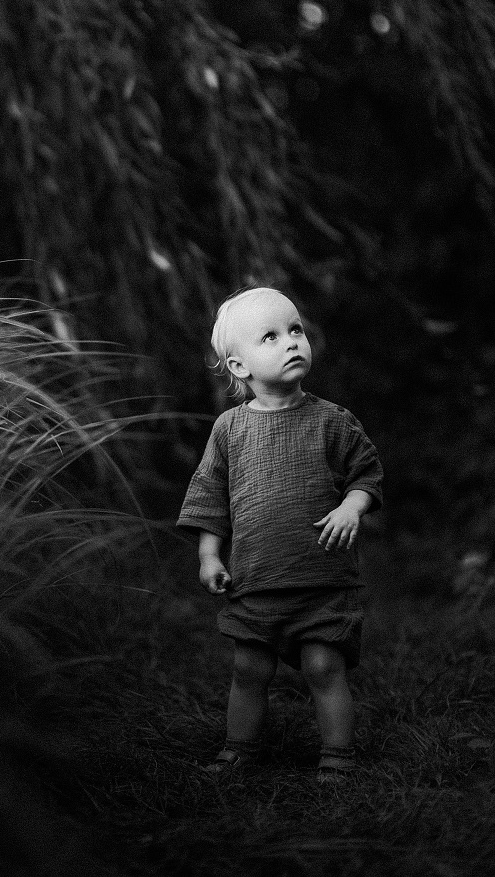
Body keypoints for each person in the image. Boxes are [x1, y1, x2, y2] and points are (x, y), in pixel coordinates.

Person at [177, 287, 383, 783]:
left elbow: (367, 475)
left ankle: (337, 758)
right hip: (255, 584)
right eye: (270, 336)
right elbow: (210, 497)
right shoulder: (229, 430)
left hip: (322, 583)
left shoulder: (333, 422)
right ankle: (239, 749)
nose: (292, 341)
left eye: (295, 330)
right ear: (240, 366)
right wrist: (209, 556)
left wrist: (352, 507)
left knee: (323, 669)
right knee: (248, 671)